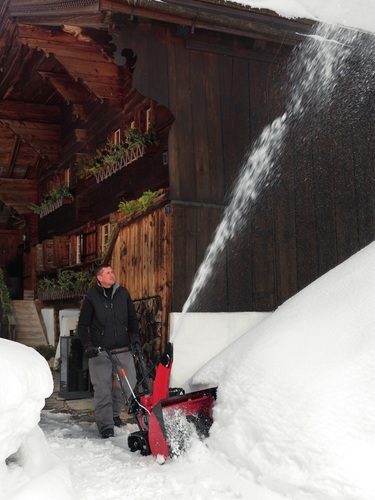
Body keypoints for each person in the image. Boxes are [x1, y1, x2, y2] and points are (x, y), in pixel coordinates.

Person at [77, 265, 140, 438]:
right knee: (102, 388)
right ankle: (105, 426)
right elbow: (83, 325)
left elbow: (132, 318)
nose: (112, 275)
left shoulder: (123, 293)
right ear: (99, 278)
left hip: (122, 348)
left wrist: (134, 336)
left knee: (130, 382)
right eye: (108, 273)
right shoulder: (91, 297)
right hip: (99, 350)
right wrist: (87, 345)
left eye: (112, 271)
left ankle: (113, 412)